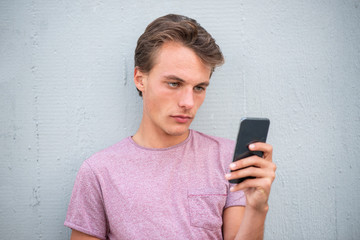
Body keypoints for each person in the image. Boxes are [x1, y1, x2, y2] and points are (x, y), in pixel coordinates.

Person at [64, 14, 276, 240]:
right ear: (140, 79)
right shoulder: (98, 172)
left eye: (199, 87)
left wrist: (257, 208)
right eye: (174, 83)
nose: (188, 102)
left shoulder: (229, 159)